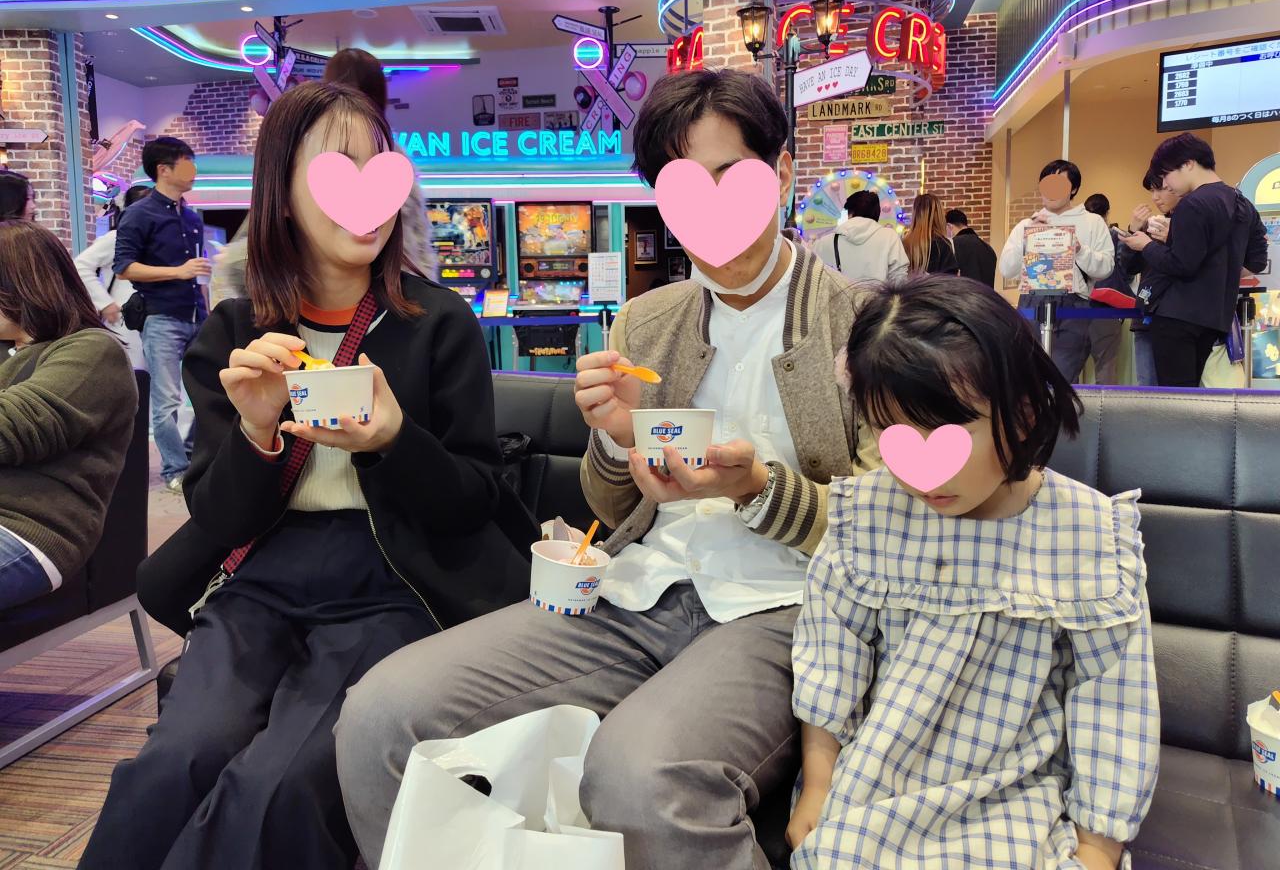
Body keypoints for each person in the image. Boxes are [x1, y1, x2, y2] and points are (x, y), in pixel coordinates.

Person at [334, 68, 883, 870]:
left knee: (639, 776)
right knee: (382, 715)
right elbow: (614, 506)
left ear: (783, 172)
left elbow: (890, 522)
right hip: (637, 590)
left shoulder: (862, 325)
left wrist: (759, 488)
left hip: (788, 606)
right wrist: (618, 440)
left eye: (730, 176)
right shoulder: (645, 320)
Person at [80, 82, 530, 870]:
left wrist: (395, 440)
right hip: (261, 579)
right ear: (282, 195)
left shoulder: (438, 322)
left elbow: (476, 498)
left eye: (376, 168)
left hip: (395, 582)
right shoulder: (235, 332)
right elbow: (218, 517)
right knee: (175, 761)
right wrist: (256, 430)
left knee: (279, 785)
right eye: (334, 171)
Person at [787, 274, 1159, 869]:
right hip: (879, 776)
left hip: (1015, 787)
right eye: (892, 432)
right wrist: (818, 784)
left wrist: (1098, 845)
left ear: (1023, 412)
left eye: (950, 431)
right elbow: (833, 655)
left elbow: (1114, 705)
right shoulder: (868, 516)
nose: (923, 467)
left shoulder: (1088, 534)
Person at [209, 48, 437, 305]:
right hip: (392, 299)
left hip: (336, 299)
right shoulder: (393, 159)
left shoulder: (311, 149)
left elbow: (250, 248)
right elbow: (419, 247)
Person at [0, 220, 137, 610]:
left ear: (23, 284)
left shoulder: (91, 350)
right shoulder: (9, 351)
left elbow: (14, 428)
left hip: (27, 528)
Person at [1123, 132, 1269, 387]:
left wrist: (1146, 245)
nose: (1166, 184)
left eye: (1166, 174)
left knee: (1176, 398)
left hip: (1177, 316)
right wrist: (1218, 272)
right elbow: (1257, 261)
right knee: (1192, 396)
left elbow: (1180, 264)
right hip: (1215, 315)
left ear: (1189, 164)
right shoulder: (1243, 203)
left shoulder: (1192, 203)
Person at [113, 137, 209, 493]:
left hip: (197, 315)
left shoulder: (191, 217)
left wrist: (206, 307)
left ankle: (193, 456)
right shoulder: (139, 214)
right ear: (163, 170)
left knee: (211, 390)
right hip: (161, 317)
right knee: (167, 399)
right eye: (186, 161)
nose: (193, 169)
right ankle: (175, 469)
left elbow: (196, 272)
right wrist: (178, 272)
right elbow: (124, 267)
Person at [999, 160, 1116, 382]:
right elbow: (1006, 269)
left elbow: (1105, 268)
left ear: (1073, 189)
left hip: (1073, 304)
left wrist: (1079, 250)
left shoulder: (1092, 222)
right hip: (1031, 302)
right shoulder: (1026, 224)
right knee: (1029, 377)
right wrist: (1027, 241)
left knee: (1061, 378)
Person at [74, 185, 152, 370]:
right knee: (134, 373)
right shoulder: (117, 238)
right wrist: (105, 303)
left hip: (153, 321)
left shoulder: (157, 239)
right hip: (124, 319)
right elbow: (80, 265)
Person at [1121, 171, 1181, 386]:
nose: (1155, 197)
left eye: (1161, 189)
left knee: (1178, 389)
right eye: (1152, 191)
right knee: (1146, 388)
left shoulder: (1192, 224)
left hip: (1179, 320)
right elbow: (1129, 268)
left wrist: (1171, 238)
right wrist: (1133, 230)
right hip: (1146, 317)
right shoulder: (1151, 225)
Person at [811, 189, 909, 283]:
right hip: (879, 295)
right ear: (877, 215)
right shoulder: (890, 237)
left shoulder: (824, 243)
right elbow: (899, 279)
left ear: (849, 213)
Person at [1078, 193, 1126, 384]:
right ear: (1107, 213)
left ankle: (1067, 403)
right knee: (1106, 369)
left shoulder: (1075, 237)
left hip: (1075, 309)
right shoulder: (1117, 237)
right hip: (1106, 310)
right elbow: (1126, 273)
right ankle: (1105, 405)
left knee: (1069, 367)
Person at [902, 192, 959, 275]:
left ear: (915, 213)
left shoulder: (904, 244)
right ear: (938, 214)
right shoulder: (943, 244)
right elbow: (949, 279)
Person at [945, 207, 996, 286]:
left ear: (949, 226)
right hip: (986, 294)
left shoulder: (952, 245)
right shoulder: (989, 249)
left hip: (962, 293)